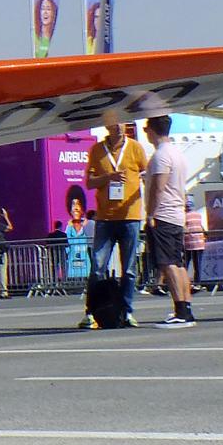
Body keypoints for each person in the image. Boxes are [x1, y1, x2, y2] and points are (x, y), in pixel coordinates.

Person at [84, 117, 150, 326]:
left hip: (130, 215)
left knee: (129, 269)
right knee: (97, 267)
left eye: (123, 123)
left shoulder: (135, 148)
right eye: (116, 123)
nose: (120, 127)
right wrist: (108, 177)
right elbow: (89, 182)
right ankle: (91, 312)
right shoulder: (97, 150)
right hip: (105, 217)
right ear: (108, 126)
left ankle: (127, 312)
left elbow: (146, 173)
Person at [143, 115, 196, 327]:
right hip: (176, 214)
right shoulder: (177, 153)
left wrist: (150, 213)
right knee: (178, 263)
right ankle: (186, 308)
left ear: (151, 130)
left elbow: (159, 186)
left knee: (168, 263)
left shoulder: (161, 156)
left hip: (163, 214)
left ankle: (180, 310)